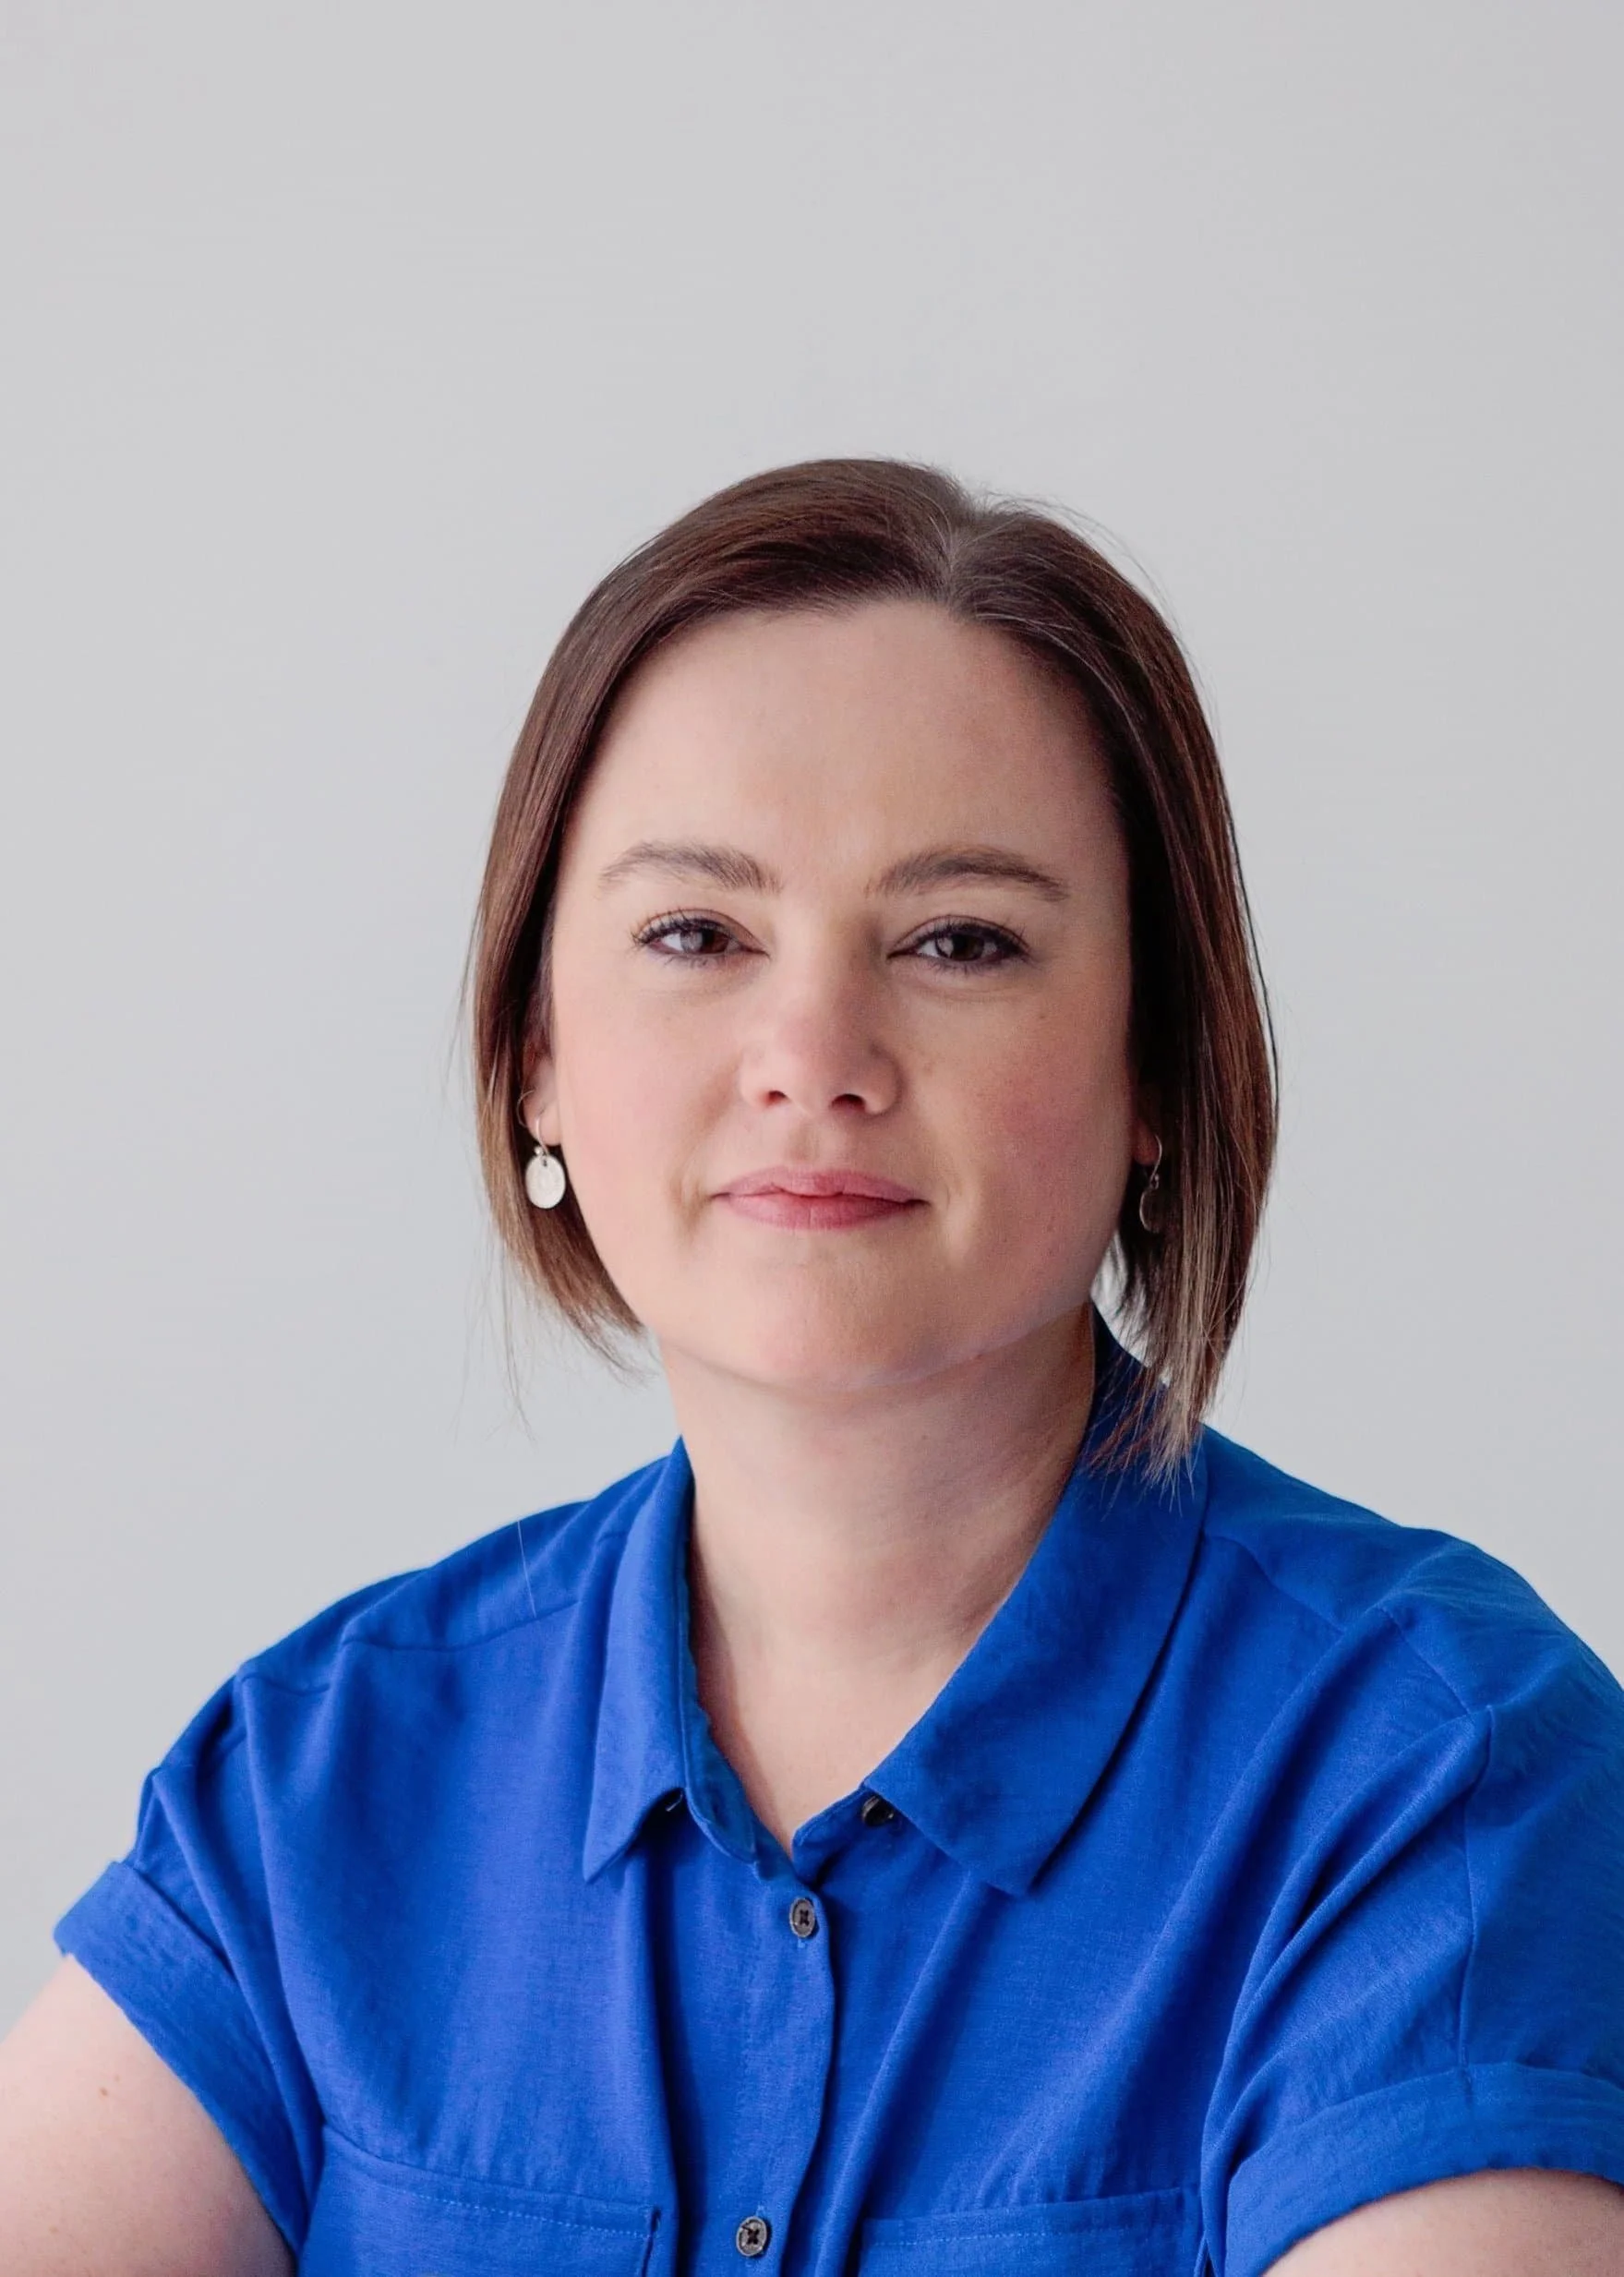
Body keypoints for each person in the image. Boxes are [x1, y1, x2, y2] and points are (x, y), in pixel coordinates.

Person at [2, 460, 1621, 2277]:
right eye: (697, 934)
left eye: (959, 942)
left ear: (1160, 1069)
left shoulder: (1440, 1773)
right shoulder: (324, 1779)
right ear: (536, 1054)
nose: (812, 1052)